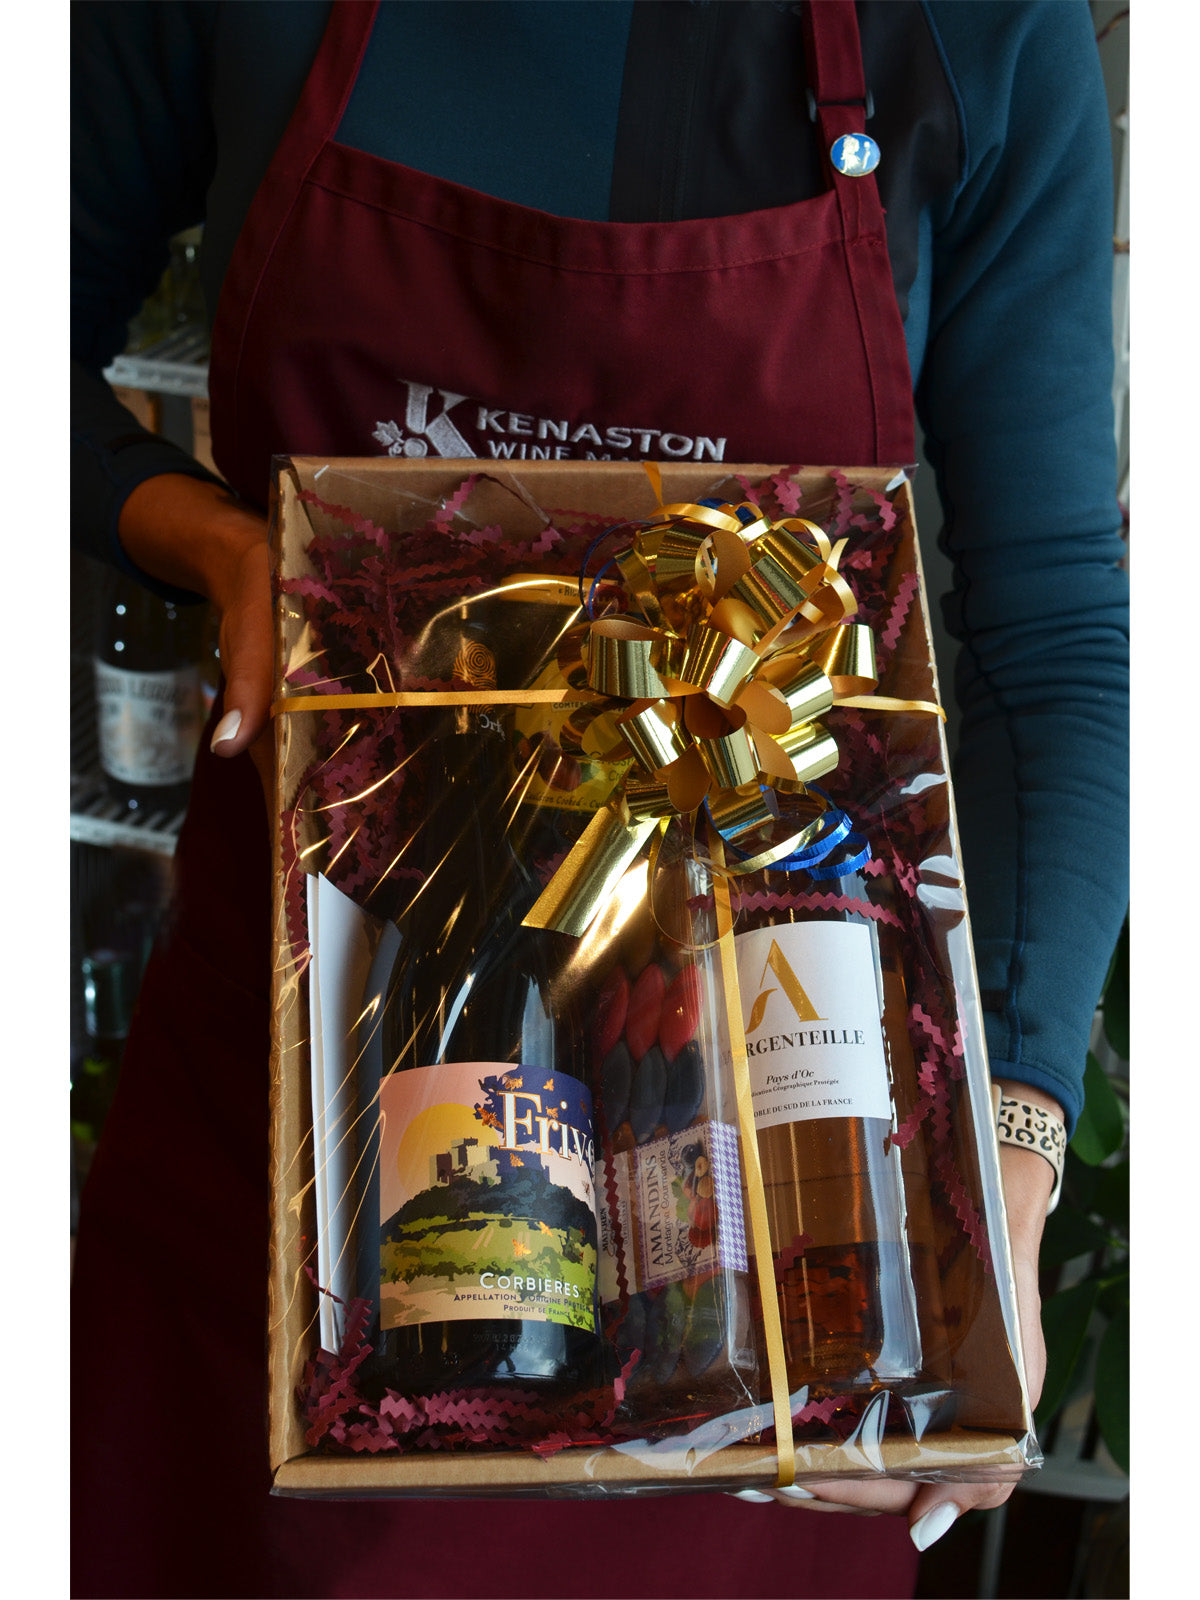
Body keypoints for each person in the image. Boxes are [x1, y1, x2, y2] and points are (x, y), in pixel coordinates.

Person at [70, 3, 1129, 1597]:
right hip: (303, 1048)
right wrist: (215, 544)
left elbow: (1055, 628)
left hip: (769, 1156)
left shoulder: (981, 30)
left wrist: (1013, 1159)